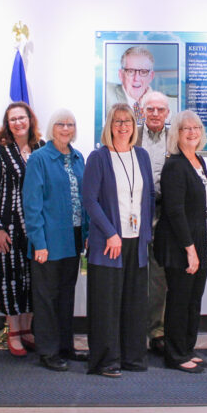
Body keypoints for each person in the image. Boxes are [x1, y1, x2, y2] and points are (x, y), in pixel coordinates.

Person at [82, 103, 155, 377]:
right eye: (117, 121)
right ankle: (106, 360)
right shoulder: (98, 158)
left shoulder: (142, 156)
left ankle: (133, 357)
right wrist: (111, 233)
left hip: (137, 242)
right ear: (109, 126)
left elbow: (147, 197)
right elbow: (89, 200)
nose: (123, 126)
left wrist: (145, 231)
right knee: (106, 304)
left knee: (134, 303)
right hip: (109, 243)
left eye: (127, 121)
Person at [23, 109, 89, 372]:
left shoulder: (78, 157)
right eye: (61, 124)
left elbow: (85, 200)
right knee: (46, 298)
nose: (66, 128)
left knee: (66, 296)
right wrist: (38, 242)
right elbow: (32, 204)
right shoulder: (39, 158)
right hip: (48, 240)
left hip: (73, 238)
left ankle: (65, 346)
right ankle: (48, 351)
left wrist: (86, 235)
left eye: (70, 124)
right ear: (52, 127)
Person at [154, 110, 207, 374]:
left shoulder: (199, 161)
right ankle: (175, 354)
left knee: (194, 300)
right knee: (180, 300)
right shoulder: (175, 165)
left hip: (203, 243)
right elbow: (175, 212)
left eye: (196, 128)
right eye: (185, 128)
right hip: (182, 246)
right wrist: (190, 250)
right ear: (176, 134)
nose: (192, 132)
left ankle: (187, 348)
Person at [0, 102, 43, 357]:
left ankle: (28, 329)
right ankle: (13, 331)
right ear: (7, 124)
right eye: (13, 119)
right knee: (11, 278)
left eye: (22, 118)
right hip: (8, 227)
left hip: (36, 228)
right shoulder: (1, 151)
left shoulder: (43, 148)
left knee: (33, 278)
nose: (18, 123)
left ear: (30, 120)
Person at [135, 91, 170, 355]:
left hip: (164, 213)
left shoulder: (175, 138)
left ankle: (157, 331)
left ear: (167, 113)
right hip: (133, 213)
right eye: (150, 109)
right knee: (133, 272)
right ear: (142, 111)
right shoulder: (130, 135)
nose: (155, 114)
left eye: (160, 110)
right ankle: (133, 329)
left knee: (158, 276)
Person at [106, 46, 177, 125]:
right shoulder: (106, 92)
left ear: (151, 76)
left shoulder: (172, 105)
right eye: (130, 71)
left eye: (143, 72)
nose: (136, 78)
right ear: (121, 75)